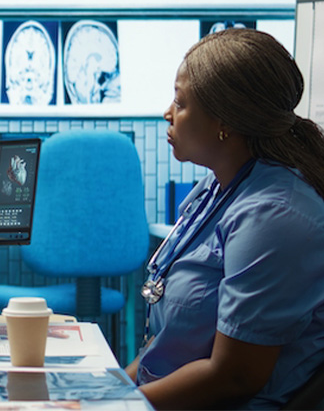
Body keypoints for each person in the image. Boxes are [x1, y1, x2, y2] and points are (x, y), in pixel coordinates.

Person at [127, 28, 324, 409]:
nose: (168, 113)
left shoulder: (275, 217)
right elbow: (162, 350)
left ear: (225, 122)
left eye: (180, 102)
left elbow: (233, 376)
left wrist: (114, 406)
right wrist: (105, 393)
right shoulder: (218, 187)